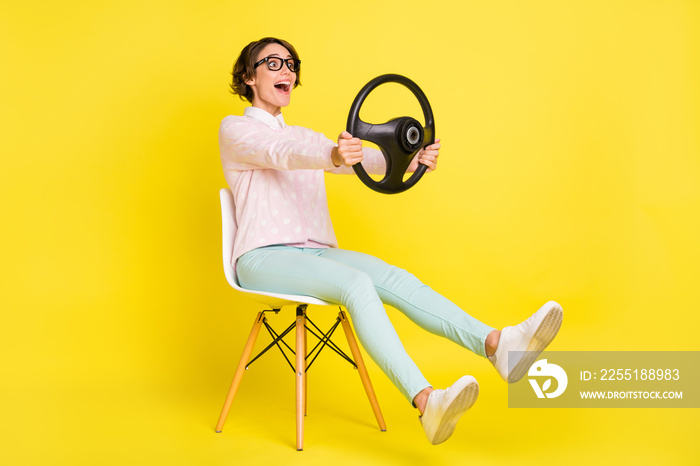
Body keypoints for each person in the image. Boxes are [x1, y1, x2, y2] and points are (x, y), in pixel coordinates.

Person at [219, 37, 563, 445]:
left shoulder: (306, 136)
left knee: (394, 278)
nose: (286, 71)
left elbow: (360, 159)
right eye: (273, 63)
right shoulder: (235, 129)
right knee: (357, 285)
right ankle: (426, 402)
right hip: (262, 257)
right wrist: (331, 154)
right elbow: (280, 151)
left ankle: (498, 345)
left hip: (313, 254)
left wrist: (410, 159)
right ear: (248, 76)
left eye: (291, 64)